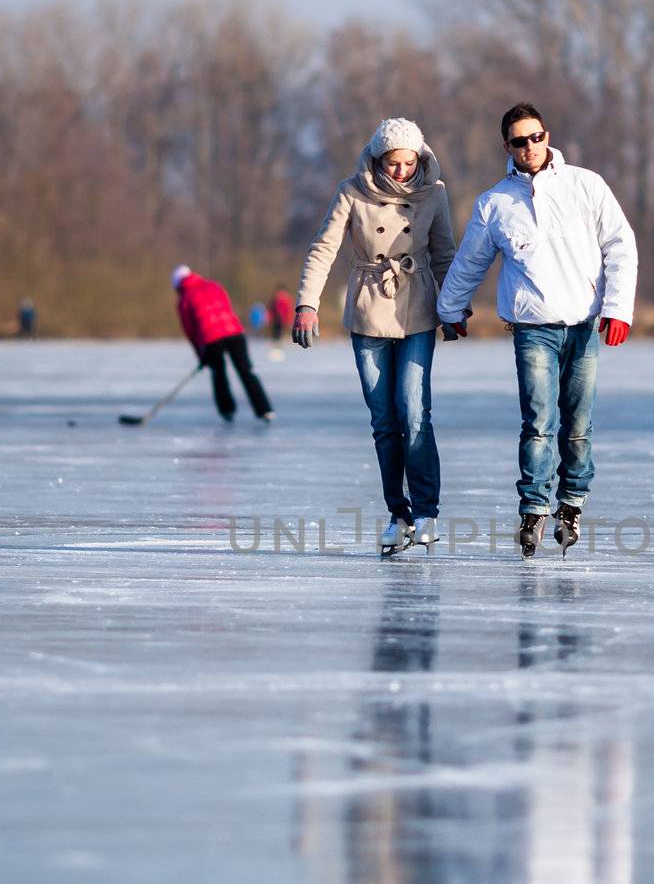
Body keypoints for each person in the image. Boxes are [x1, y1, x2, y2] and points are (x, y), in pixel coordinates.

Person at [436, 102, 637, 558]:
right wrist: (450, 308)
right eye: (519, 141)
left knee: (578, 425)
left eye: (537, 137)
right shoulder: (495, 203)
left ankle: (571, 504)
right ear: (506, 146)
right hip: (532, 328)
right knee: (539, 423)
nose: (530, 147)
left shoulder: (586, 185)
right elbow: (470, 263)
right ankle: (533, 508)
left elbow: (620, 245)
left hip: (584, 324)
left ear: (548, 135)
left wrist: (618, 307)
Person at [293, 117, 456, 556]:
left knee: (414, 411)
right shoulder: (352, 191)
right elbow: (323, 248)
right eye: (392, 163)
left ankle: (426, 512)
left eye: (408, 163)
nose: (400, 172)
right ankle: (398, 515)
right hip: (368, 310)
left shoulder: (434, 194)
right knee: (384, 421)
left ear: (420, 159)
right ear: (377, 158)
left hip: (417, 309)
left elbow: (444, 254)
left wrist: (454, 308)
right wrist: (307, 304)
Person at [172, 265, 273, 422]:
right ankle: (264, 409)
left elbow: (190, 331)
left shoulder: (184, 299)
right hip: (234, 332)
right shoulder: (213, 285)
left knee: (218, 374)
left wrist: (201, 355)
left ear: (178, 284)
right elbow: (227, 307)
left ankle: (227, 411)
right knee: (246, 370)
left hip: (211, 338)